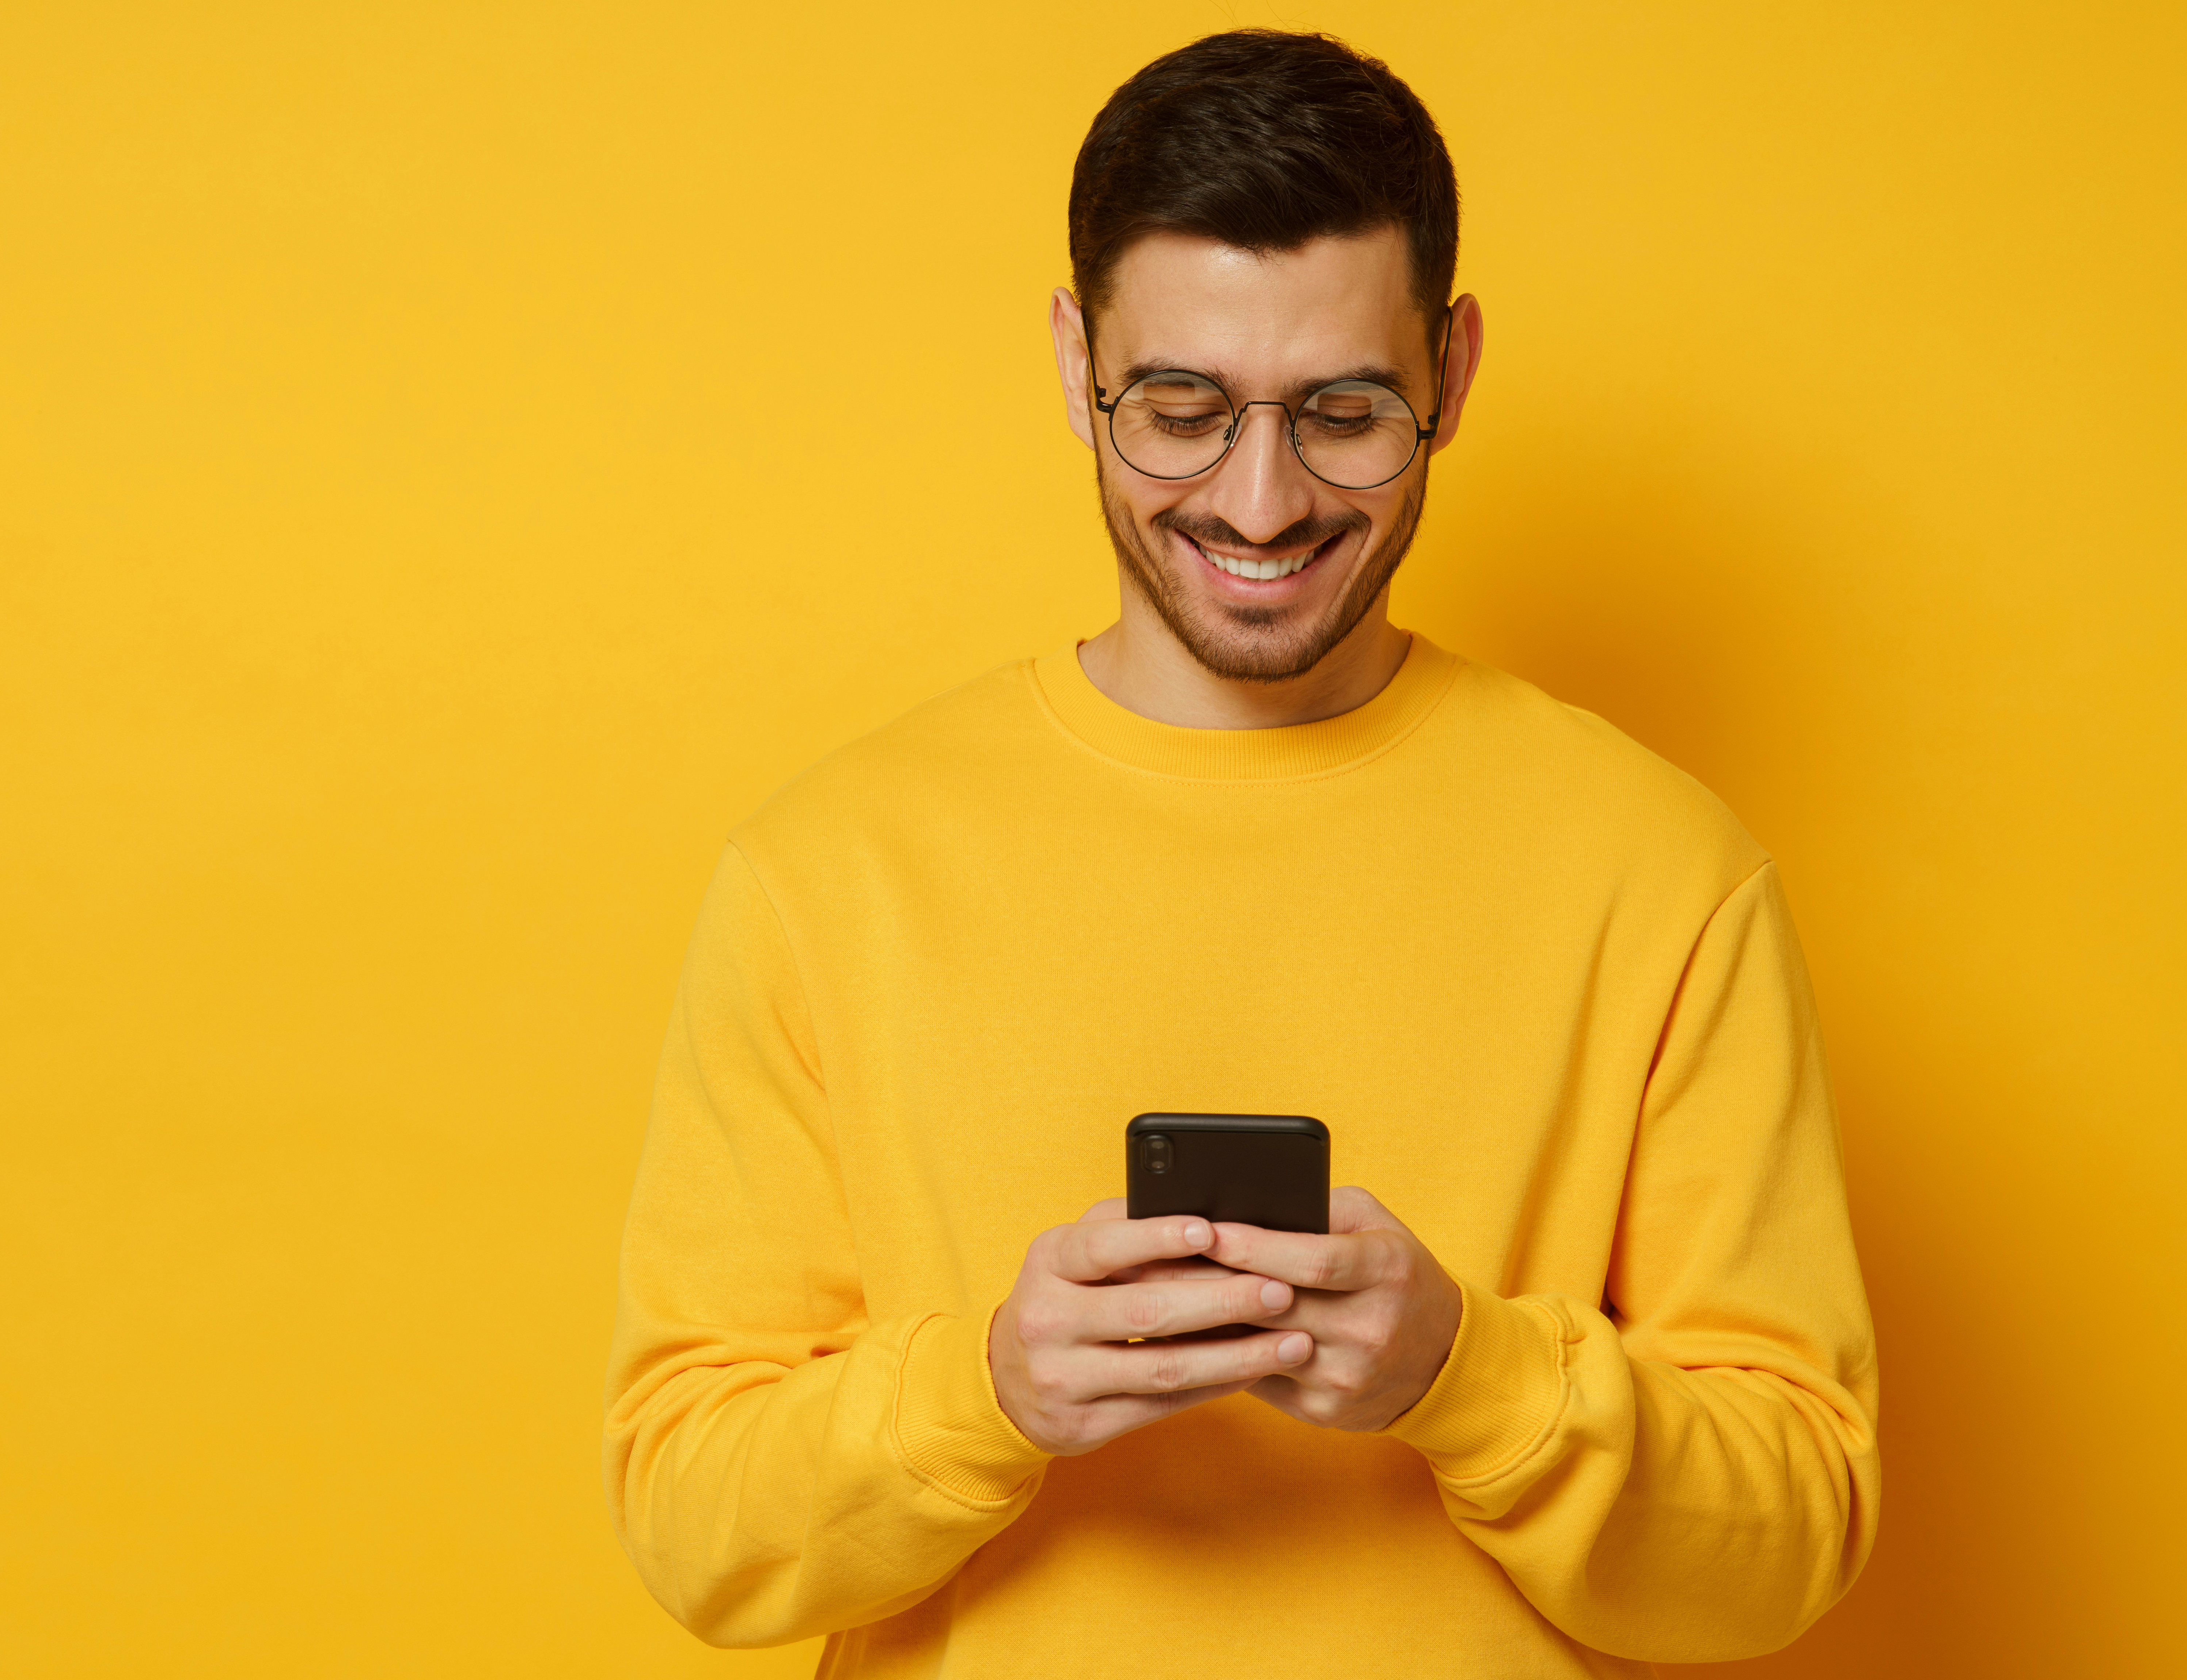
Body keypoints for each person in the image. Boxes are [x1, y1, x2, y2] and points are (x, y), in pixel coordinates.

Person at [602, 28, 1880, 1677]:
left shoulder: (1662, 872)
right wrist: (986, 1391)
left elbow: (1787, 1548)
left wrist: (1465, 1376)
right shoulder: (826, 869)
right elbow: (692, 1530)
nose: (1261, 503)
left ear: (1453, 371)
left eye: (1344, 412)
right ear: (1077, 365)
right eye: (1182, 409)